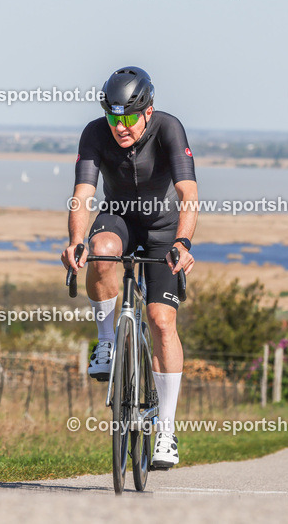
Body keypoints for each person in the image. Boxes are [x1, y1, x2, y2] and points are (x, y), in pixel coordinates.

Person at [62, 66, 198, 469]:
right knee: (101, 250)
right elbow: (82, 194)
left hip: (163, 229)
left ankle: (167, 432)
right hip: (118, 218)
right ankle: (106, 342)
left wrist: (183, 242)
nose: (119, 126)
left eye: (127, 117)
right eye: (112, 116)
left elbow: (188, 192)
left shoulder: (169, 128)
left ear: (148, 111)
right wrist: (75, 241)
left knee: (160, 321)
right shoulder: (94, 133)